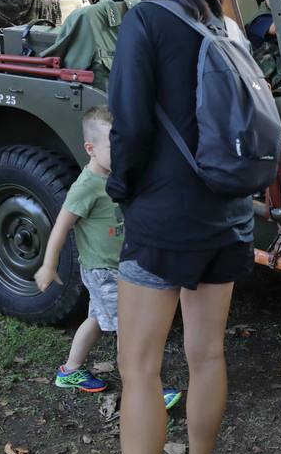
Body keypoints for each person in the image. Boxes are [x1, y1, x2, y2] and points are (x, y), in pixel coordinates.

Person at [68, 0, 254, 454]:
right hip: (228, 216)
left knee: (139, 366)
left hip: (163, 221)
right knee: (207, 356)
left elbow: (130, 133)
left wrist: (121, 194)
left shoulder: (145, 23)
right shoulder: (226, 25)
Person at [35, 105, 183, 408]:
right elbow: (61, 226)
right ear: (91, 149)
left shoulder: (115, 176)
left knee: (96, 319)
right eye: (115, 147)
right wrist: (49, 265)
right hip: (104, 271)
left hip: (118, 267)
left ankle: (69, 371)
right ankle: (142, 391)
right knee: (128, 330)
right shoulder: (85, 187)